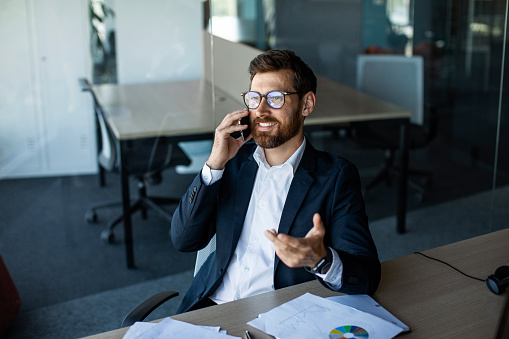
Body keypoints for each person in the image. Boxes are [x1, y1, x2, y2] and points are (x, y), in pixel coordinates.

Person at [171, 50, 380, 314]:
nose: (261, 110)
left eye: (276, 98)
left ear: (306, 105)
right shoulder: (232, 162)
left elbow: (367, 275)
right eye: (254, 98)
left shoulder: (336, 177)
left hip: (279, 315)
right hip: (211, 308)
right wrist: (213, 165)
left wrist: (321, 260)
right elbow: (183, 240)